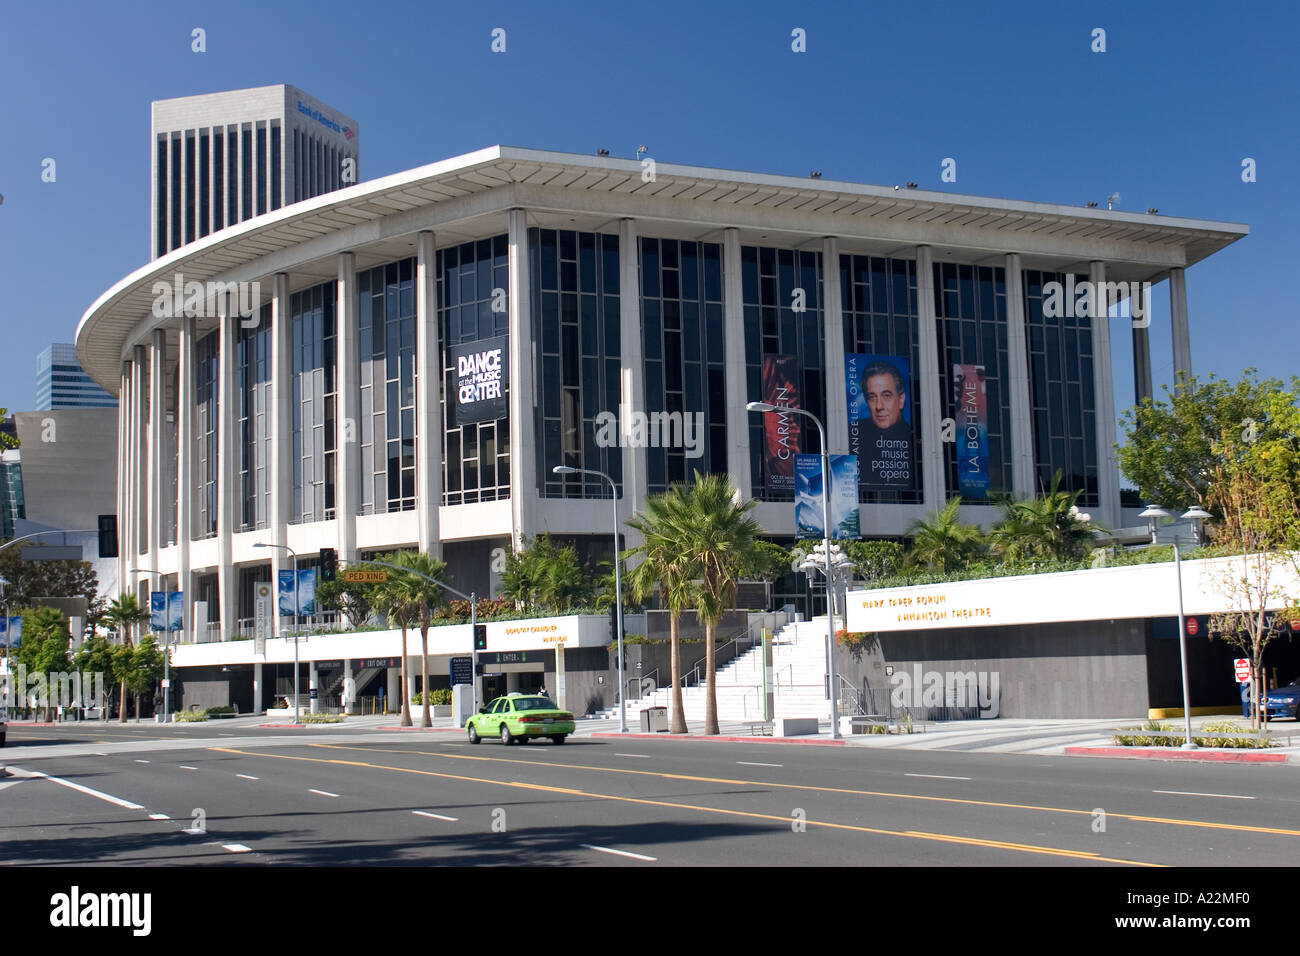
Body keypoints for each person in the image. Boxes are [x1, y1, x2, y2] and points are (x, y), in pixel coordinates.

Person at [858, 360, 915, 488]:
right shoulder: (853, 434)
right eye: (872, 397)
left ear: (901, 399)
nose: (879, 406)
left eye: (886, 395)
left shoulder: (914, 440)